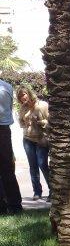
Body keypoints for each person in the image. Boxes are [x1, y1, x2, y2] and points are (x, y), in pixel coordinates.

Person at [16, 86, 50, 202]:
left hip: (41, 139)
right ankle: (37, 191)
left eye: (24, 94)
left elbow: (50, 121)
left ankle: (53, 191)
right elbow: (20, 122)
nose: (22, 98)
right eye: (20, 96)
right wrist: (25, 123)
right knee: (33, 166)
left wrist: (39, 122)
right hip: (27, 139)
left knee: (43, 165)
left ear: (29, 93)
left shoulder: (42, 105)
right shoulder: (23, 108)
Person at [0, 78, 22, 215]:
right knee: (8, 169)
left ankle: (3, 206)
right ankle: (15, 204)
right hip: (4, 129)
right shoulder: (7, 86)